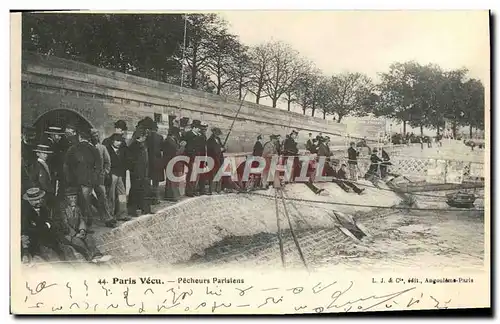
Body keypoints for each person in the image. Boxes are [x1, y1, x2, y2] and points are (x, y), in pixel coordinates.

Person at [64, 129, 116, 230]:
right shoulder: (94, 149)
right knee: (102, 198)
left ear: (79, 138)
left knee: (85, 201)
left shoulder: (73, 148)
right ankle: (107, 218)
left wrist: (70, 179)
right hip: (96, 179)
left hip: (82, 180)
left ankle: (87, 223)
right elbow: (99, 165)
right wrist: (97, 177)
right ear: (88, 139)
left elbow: (67, 166)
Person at [55, 187, 112, 263]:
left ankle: (97, 254)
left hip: (77, 232)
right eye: (70, 197)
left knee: (88, 237)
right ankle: (89, 257)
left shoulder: (77, 208)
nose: (73, 199)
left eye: (75, 197)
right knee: (78, 241)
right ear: (66, 199)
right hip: (67, 234)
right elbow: (64, 224)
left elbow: (81, 220)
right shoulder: (63, 210)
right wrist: (75, 234)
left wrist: (82, 230)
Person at [21, 188, 66, 263]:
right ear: (29, 200)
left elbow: (50, 223)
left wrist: (47, 226)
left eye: (39, 199)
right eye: (35, 200)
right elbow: (27, 230)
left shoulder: (43, 209)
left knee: (62, 253)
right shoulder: (24, 213)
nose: (38, 201)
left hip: (46, 239)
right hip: (33, 243)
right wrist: (46, 226)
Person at [126, 127, 151, 216]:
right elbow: (131, 160)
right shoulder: (134, 146)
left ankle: (143, 208)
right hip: (137, 172)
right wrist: (135, 170)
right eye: (144, 136)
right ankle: (133, 210)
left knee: (143, 190)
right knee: (135, 190)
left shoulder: (142, 144)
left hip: (143, 171)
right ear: (141, 136)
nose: (145, 138)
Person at [105, 133, 130, 221]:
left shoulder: (122, 150)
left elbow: (126, 161)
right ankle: (110, 215)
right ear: (112, 141)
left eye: (120, 141)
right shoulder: (107, 150)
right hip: (111, 174)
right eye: (117, 141)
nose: (119, 143)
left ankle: (122, 214)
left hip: (119, 174)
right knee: (110, 195)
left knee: (122, 194)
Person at [31, 144, 56, 209]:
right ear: (38, 154)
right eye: (44, 153)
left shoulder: (47, 164)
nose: (46, 155)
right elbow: (36, 181)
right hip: (42, 194)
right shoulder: (36, 165)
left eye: (47, 154)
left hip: (49, 193)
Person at [43, 126, 66, 195]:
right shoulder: (47, 144)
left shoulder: (55, 144)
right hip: (50, 171)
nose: (60, 137)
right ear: (52, 135)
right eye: (58, 135)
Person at [162, 126, 182, 201]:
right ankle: (172, 196)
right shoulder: (169, 140)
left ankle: (170, 195)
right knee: (172, 179)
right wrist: (182, 146)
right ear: (174, 134)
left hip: (172, 161)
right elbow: (176, 151)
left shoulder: (172, 139)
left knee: (172, 179)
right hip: (171, 161)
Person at [147, 122, 165, 205]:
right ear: (156, 129)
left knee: (147, 181)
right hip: (157, 161)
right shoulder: (160, 137)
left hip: (148, 161)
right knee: (156, 182)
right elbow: (162, 150)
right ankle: (156, 199)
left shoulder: (147, 137)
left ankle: (149, 199)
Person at [206, 127, 225, 195]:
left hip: (219, 159)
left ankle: (218, 189)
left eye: (218, 134)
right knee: (213, 175)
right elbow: (213, 150)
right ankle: (212, 190)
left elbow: (222, 147)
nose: (218, 135)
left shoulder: (218, 139)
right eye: (217, 133)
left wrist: (223, 148)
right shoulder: (210, 141)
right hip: (213, 159)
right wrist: (220, 150)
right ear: (213, 133)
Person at [22, 126, 37, 194]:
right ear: (23, 135)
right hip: (25, 171)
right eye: (29, 136)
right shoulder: (19, 147)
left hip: (34, 171)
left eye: (33, 136)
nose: (32, 138)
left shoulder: (34, 145)